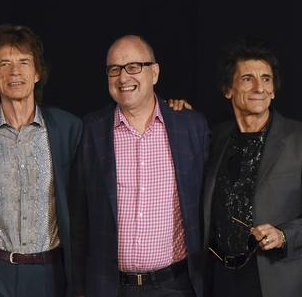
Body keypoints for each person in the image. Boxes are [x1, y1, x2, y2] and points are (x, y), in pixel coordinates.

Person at [70, 35, 209, 297]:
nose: (124, 77)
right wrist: (78, 288)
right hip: (110, 287)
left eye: (134, 67)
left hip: (176, 286)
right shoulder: (90, 131)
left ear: (154, 73)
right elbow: (79, 218)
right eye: (115, 69)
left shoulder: (191, 127)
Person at [0, 25, 82, 297]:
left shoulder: (68, 128)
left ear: (37, 73)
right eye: (5, 64)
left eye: (24, 62)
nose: (15, 72)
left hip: (51, 273)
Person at [202, 41, 302, 297]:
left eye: (266, 79)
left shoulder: (298, 139)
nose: (260, 87)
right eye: (248, 78)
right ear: (228, 89)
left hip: (274, 281)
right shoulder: (213, 137)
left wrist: (284, 235)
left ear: (274, 89)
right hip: (219, 278)